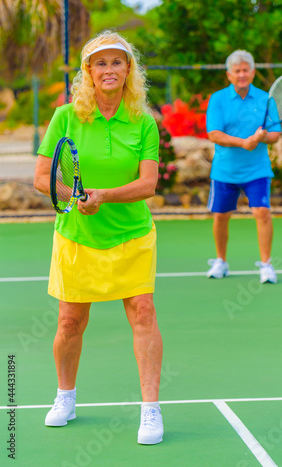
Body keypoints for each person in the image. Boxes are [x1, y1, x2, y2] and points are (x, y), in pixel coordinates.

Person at [34, 30, 164, 445]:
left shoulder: (143, 122)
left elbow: (148, 184)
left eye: (117, 62)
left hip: (132, 235)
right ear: (88, 71)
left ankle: (150, 410)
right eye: (101, 62)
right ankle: (65, 398)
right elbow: (41, 176)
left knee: (143, 313)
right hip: (77, 236)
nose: (109, 69)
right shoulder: (66, 117)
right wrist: (72, 194)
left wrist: (104, 196)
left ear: (129, 70)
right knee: (70, 322)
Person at [206, 50, 281, 283]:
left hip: (256, 170)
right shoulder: (217, 99)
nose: (241, 74)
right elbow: (214, 134)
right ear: (229, 75)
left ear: (253, 72)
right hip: (224, 171)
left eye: (245, 70)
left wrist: (262, 137)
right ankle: (221, 261)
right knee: (220, 216)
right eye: (237, 71)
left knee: (262, 212)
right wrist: (244, 142)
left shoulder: (265, 99)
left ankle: (266, 265)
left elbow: (276, 134)